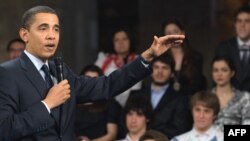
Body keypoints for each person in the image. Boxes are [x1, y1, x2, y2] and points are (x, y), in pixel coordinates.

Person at [0, 5, 185, 141]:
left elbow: (106, 85)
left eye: (55, 29)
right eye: (43, 28)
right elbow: (4, 129)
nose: (51, 35)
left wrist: (147, 56)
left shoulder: (61, 70)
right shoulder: (7, 74)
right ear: (24, 35)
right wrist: (47, 105)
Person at [128, 54, 192, 139]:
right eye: (156, 67)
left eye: (164, 68)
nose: (159, 71)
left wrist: (150, 138)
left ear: (172, 73)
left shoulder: (180, 99)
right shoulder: (135, 94)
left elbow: (180, 128)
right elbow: (123, 122)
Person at [95, 29, 141, 107]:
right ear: (112, 43)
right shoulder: (103, 60)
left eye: (124, 39)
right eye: (117, 40)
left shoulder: (138, 60)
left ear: (130, 41)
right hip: (108, 107)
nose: (121, 42)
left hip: (133, 107)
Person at [75, 64, 121, 141]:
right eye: (88, 79)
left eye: (95, 80)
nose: (91, 83)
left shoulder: (109, 103)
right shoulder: (72, 102)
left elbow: (112, 134)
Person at [163, 19, 206, 95]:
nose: (173, 36)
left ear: (183, 33)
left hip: (190, 100)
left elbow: (198, 85)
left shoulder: (196, 57)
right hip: (166, 102)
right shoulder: (161, 58)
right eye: (169, 33)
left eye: (175, 31)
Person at [215, 6, 250, 93]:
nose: (242, 25)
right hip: (229, 99)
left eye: (247, 21)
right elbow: (218, 77)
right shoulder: (223, 47)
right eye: (239, 21)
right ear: (235, 24)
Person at [211, 56, 250, 131]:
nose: (219, 74)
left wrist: (222, 135)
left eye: (224, 70)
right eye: (216, 70)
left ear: (232, 73)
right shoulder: (205, 98)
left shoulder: (244, 98)